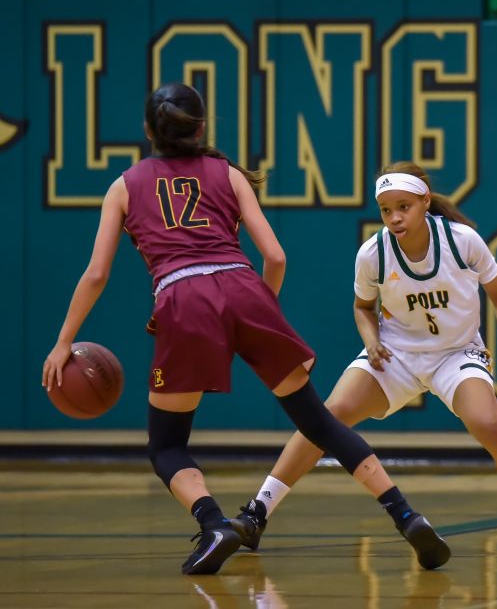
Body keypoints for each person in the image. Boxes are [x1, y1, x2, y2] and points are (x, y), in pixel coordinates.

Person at [41, 84, 450, 575]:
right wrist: (257, 314)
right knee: (318, 423)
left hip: (183, 299)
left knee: (167, 444)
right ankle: (406, 515)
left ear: (148, 130)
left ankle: (213, 524)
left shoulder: (125, 186)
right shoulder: (228, 173)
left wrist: (63, 341)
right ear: (201, 127)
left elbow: (96, 274)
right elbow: (275, 256)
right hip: (244, 288)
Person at [231, 162, 497, 554]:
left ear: (425, 201)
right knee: (327, 415)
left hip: (455, 353)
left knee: (488, 424)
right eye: (386, 209)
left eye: (403, 207)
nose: (394, 217)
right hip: (396, 353)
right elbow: (362, 307)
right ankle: (257, 512)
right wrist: (371, 340)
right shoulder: (373, 252)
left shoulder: (462, 241)